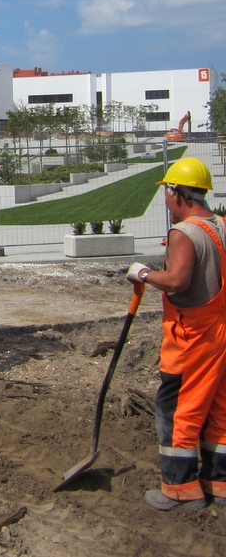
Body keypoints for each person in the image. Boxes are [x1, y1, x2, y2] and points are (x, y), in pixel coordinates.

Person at [127, 157, 226, 511]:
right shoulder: (220, 225)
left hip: (192, 338)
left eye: (167, 194)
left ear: (177, 193)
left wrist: (143, 273)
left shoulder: (183, 232)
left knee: (177, 409)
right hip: (220, 333)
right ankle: (219, 483)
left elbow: (178, 281)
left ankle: (181, 489)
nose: (166, 202)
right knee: (219, 408)